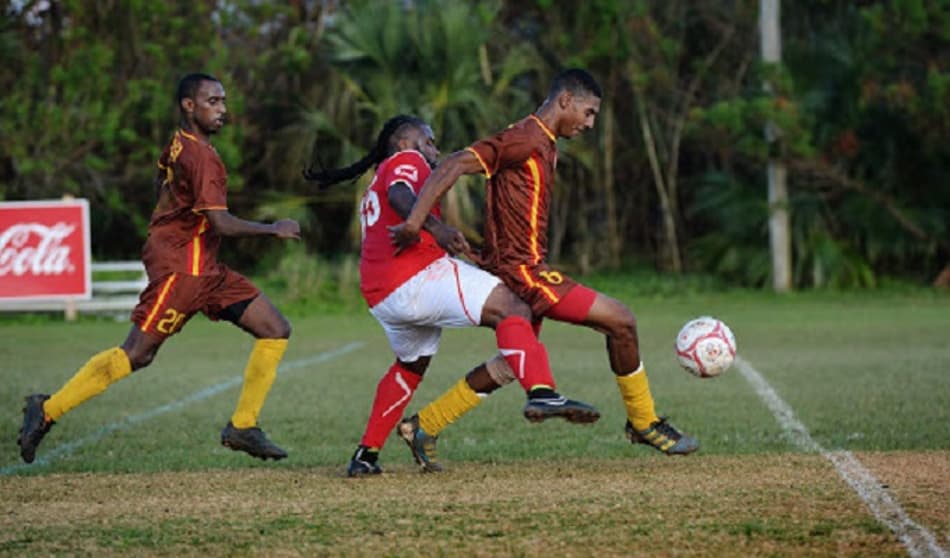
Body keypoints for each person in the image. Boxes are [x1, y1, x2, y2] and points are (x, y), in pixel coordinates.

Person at [391, 69, 699, 470]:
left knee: (509, 363)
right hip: (525, 272)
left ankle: (423, 426)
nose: (589, 124)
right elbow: (453, 163)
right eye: (588, 113)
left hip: (515, 267)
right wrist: (417, 222)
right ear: (566, 100)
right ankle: (644, 423)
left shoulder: (543, 141)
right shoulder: (526, 137)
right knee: (621, 320)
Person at [16, 73, 301, 464]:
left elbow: (160, 182)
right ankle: (46, 410)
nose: (222, 110)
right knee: (137, 354)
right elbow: (221, 223)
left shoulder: (179, 143)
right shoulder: (201, 156)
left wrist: (166, 228)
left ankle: (243, 426)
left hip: (206, 266)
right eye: (213, 102)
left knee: (275, 329)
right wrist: (274, 229)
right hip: (184, 270)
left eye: (222, 102)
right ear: (189, 105)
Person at [303, 115, 599, 476]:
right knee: (513, 307)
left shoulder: (376, 183)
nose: (434, 149)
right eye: (427, 141)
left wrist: (452, 245)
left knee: (411, 366)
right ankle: (541, 391)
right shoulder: (404, 161)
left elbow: (400, 210)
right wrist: (435, 226)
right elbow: (401, 196)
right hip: (413, 279)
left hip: (382, 295)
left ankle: (366, 454)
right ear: (403, 142)